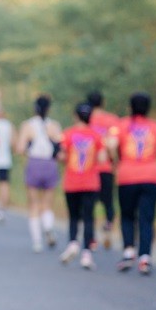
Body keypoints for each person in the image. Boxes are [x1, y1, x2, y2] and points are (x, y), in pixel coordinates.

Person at [113, 92, 156, 275]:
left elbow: (111, 145)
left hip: (126, 176)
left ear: (130, 107)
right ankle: (145, 257)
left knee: (128, 216)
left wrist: (118, 160)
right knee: (147, 218)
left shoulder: (122, 126)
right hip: (150, 176)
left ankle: (129, 252)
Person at [57, 103, 108, 270]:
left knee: (73, 216)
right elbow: (101, 159)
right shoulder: (96, 136)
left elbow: (62, 156)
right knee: (88, 217)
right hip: (90, 182)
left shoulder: (68, 134)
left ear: (76, 116)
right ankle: (87, 253)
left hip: (72, 182)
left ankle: (73, 243)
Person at [16, 95, 63, 253]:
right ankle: (48, 226)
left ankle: (37, 242)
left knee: (33, 204)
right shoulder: (54, 125)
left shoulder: (28, 125)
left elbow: (20, 148)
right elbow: (60, 148)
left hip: (34, 163)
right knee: (47, 203)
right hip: (50, 164)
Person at [86, 90, 121, 249]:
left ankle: (91, 237)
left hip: (89, 169)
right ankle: (108, 229)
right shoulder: (112, 120)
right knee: (108, 202)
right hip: (106, 167)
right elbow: (114, 144)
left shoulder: (85, 119)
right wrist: (115, 162)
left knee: (90, 204)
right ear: (103, 102)